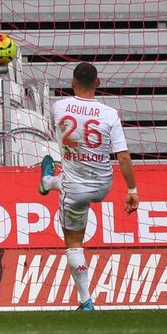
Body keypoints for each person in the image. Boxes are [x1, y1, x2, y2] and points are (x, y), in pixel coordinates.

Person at [39, 62, 139, 311]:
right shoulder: (109, 114)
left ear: (72, 84)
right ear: (98, 83)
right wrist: (132, 192)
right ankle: (49, 181)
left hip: (74, 189)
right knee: (68, 181)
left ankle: (86, 300)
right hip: (102, 185)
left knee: (74, 244)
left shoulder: (58, 107)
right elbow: (123, 156)